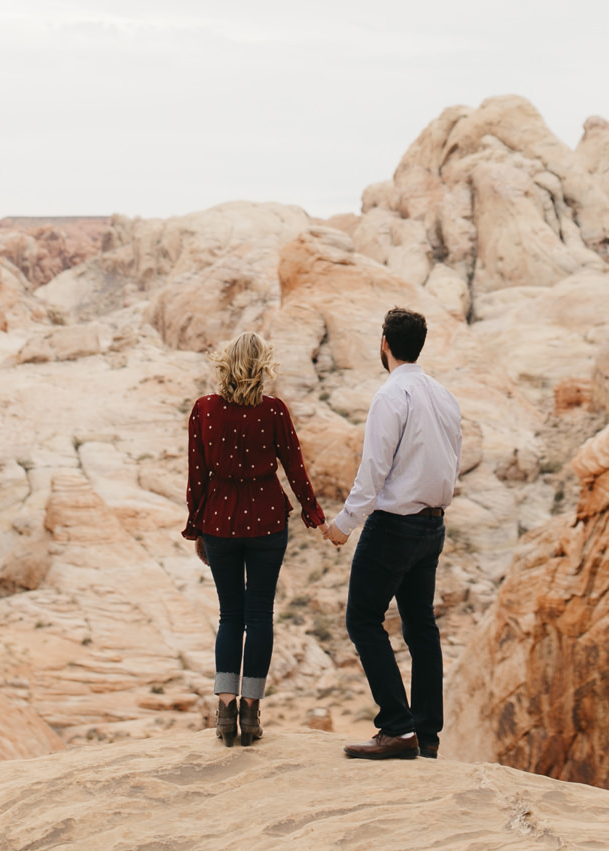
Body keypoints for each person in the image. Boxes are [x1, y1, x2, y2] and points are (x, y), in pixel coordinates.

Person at [323, 305, 462, 760]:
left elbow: (374, 470)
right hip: (432, 524)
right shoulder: (443, 395)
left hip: (395, 525)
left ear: (384, 343)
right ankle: (427, 734)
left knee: (362, 619)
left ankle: (397, 727)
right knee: (421, 626)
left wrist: (344, 525)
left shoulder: (390, 396)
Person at [184, 330, 324, 747]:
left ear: (224, 363)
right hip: (265, 521)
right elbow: (294, 466)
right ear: (263, 368)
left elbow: (196, 475)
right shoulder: (274, 411)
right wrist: (312, 513)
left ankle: (224, 712)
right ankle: (250, 711)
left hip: (220, 522)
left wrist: (196, 526)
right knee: (260, 615)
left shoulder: (204, 409)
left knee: (231, 615)